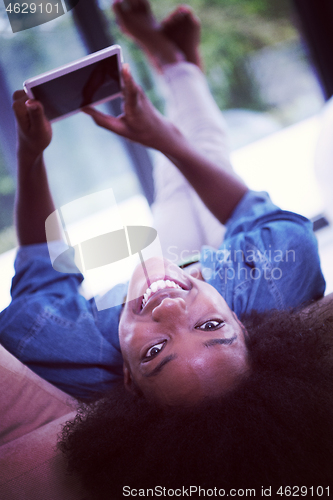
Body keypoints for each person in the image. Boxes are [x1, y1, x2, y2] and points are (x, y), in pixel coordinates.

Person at [0, 0, 325, 406]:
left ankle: (177, 66)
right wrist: (161, 138)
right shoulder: (276, 280)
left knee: (178, 184)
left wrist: (30, 156)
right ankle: (175, 63)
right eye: (210, 326)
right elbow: (248, 208)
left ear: (128, 379)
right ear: (242, 326)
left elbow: (39, 264)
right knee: (203, 153)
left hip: (185, 279)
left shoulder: (55, 345)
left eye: (155, 352)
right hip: (225, 279)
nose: (169, 310)